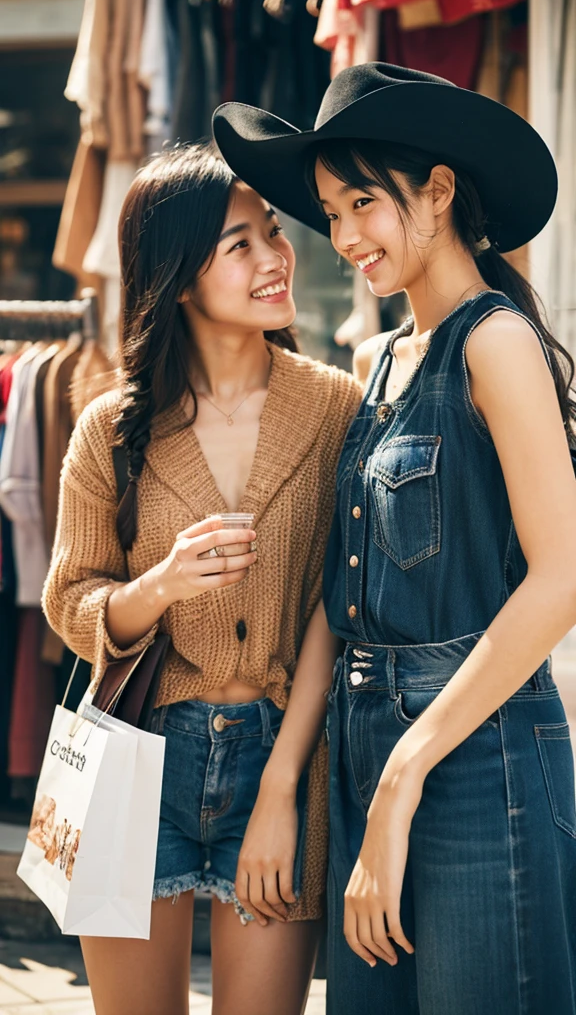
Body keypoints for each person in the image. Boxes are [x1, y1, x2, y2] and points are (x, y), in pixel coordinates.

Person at [213, 63, 576, 1013]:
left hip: (476, 757)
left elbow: (563, 579)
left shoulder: (493, 342)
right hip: (365, 742)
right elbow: (346, 595)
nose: (341, 239)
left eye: (363, 203)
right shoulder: (377, 363)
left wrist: (405, 776)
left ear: (442, 192)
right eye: (329, 212)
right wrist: (287, 782)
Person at [42, 141, 362, 1015]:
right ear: (181, 276)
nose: (276, 257)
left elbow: (340, 608)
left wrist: (282, 789)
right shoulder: (113, 425)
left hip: (278, 754)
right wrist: (165, 584)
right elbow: (71, 598)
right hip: (134, 757)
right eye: (241, 244)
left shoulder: (338, 407)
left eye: (273, 232)